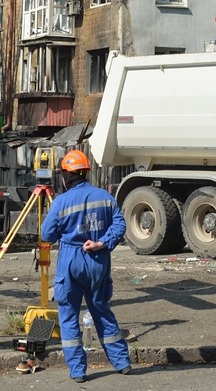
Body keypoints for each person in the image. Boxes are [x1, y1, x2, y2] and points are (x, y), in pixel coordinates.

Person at [40, 150, 131, 383]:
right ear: (85, 173)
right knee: (101, 309)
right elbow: (120, 226)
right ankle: (122, 363)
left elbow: (47, 234)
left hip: (71, 259)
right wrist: (101, 242)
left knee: (69, 314)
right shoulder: (105, 197)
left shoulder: (60, 202)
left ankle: (78, 371)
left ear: (65, 177)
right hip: (98, 258)